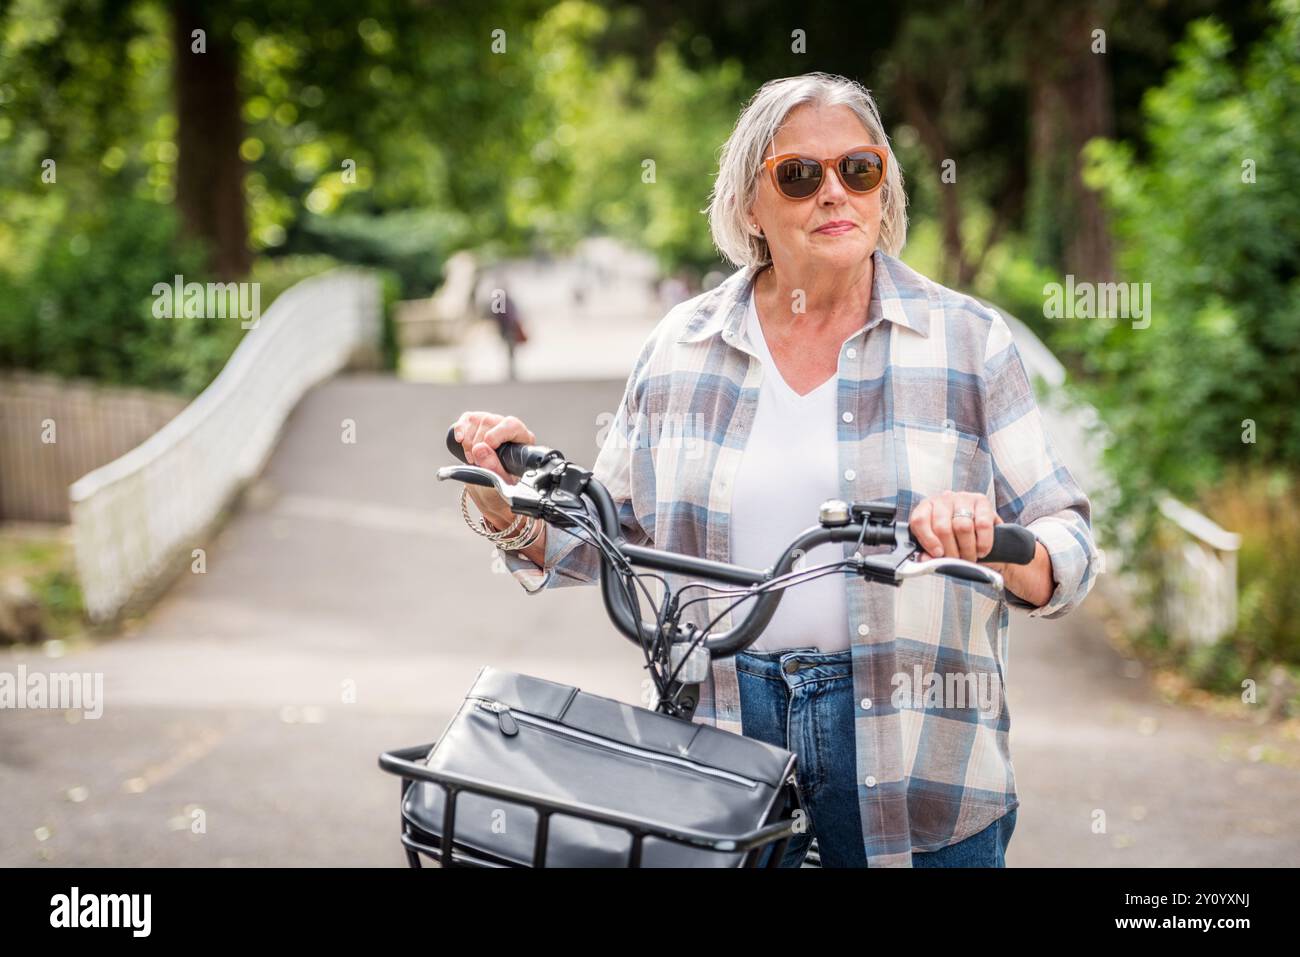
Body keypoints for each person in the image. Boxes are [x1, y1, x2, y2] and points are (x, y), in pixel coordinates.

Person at [450, 72, 1100, 868]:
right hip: (720, 750)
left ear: (883, 186)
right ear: (750, 206)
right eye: (799, 175)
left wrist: (995, 540)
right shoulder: (681, 346)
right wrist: (503, 496)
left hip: (921, 761)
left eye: (858, 169)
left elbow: (1065, 543)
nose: (835, 193)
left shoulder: (968, 341)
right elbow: (603, 537)